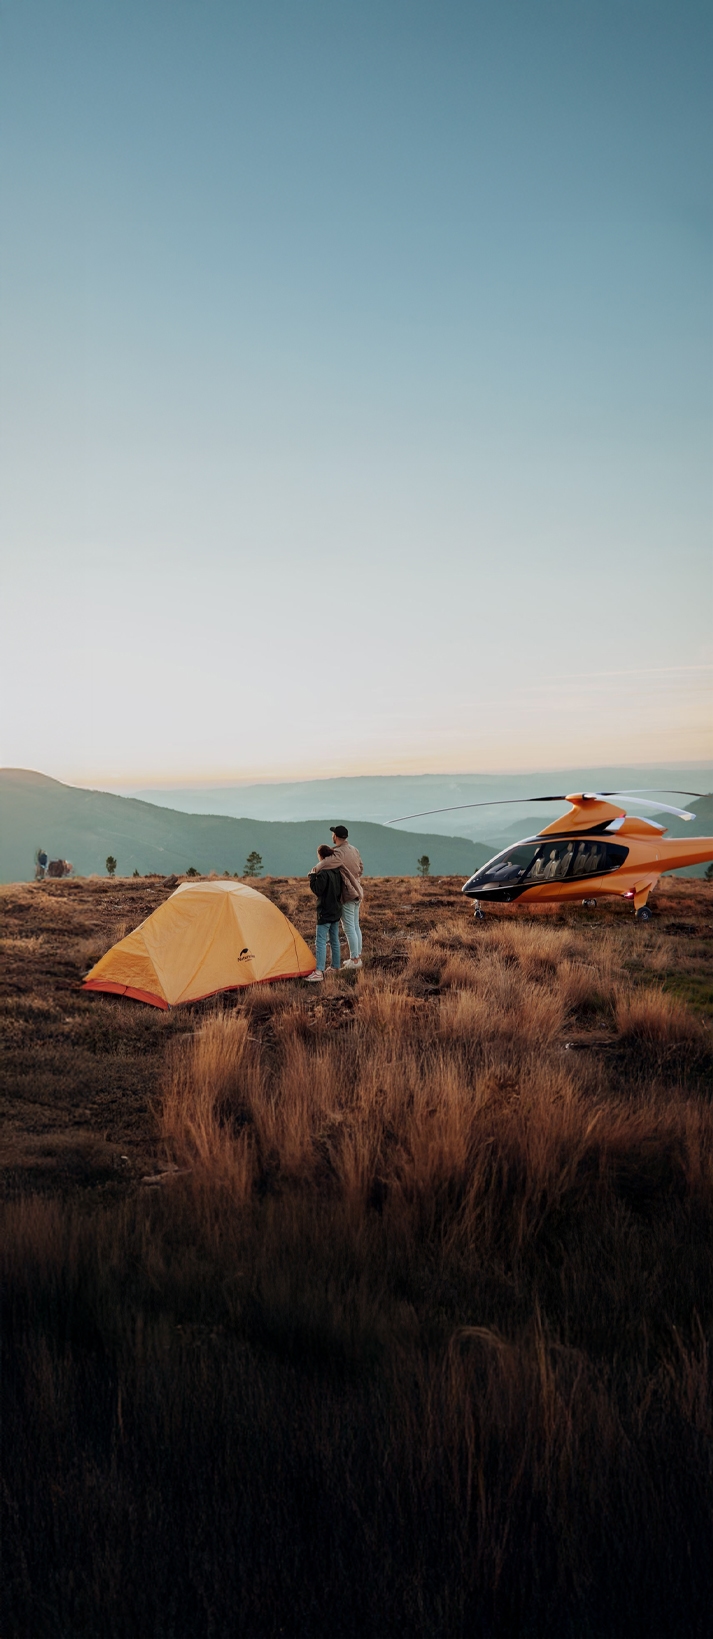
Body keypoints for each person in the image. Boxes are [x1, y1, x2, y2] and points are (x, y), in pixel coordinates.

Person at [304, 845, 343, 982]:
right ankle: (335, 967)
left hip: (325, 911)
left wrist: (312, 877)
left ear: (320, 856)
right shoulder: (337, 870)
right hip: (336, 909)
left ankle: (319, 971)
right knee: (334, 940)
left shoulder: (323, 872)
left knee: (320, 941)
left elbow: (318, 890)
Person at [329, 825, 364, 968]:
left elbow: (329, 869)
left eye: (333, 834)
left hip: (347, 893)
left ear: (336, 836)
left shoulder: (336, 853)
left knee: (349, 926)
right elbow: (361, 868)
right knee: (355, 925)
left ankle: (354, 960)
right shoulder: (354, 850)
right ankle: (357, 957)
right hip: (358, 890)